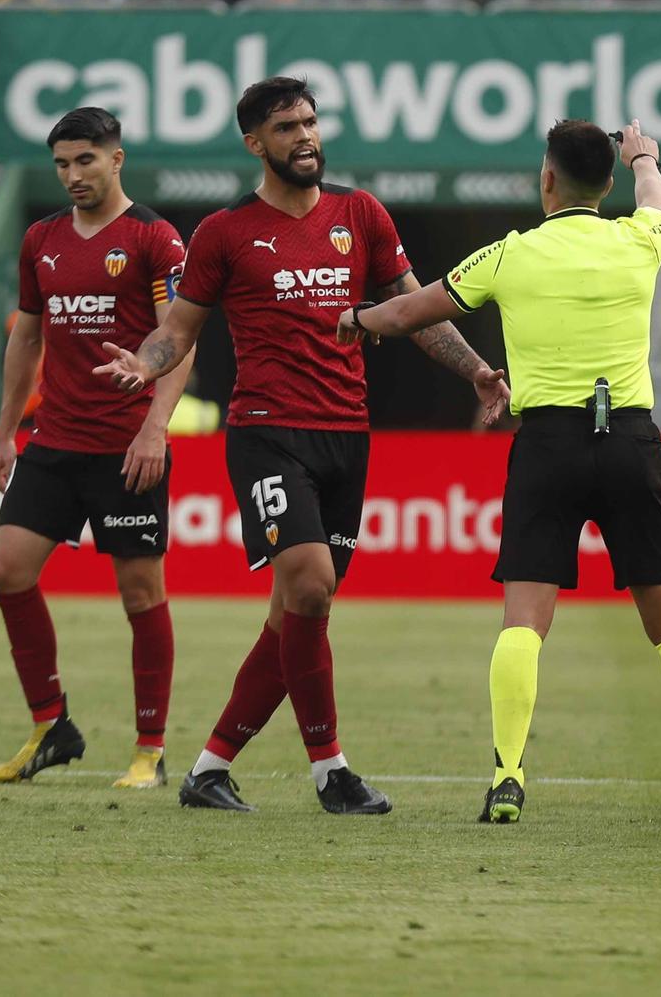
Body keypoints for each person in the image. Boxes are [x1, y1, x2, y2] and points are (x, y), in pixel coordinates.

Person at [92, 77, 507, 816]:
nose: (306, 136)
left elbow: (412, 307)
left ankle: (209, 769)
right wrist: (143, 362)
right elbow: (177, 332)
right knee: (310, 584)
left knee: (294, 614)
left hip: (348, 434)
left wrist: (476, 368)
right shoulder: (224, 232)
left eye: (311, 122)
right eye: (287, 127)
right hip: (267, 433)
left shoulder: (361, 214)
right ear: (256, 142)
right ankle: (331, 771)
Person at [342, 119, 661, 825]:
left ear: (547, 179)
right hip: (630, 437)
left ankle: (507, 777)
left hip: (547, 441)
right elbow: (657, 195)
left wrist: (358, 318)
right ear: (608, 184)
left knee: (524, 619)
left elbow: (409, 312)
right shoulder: (641, 237)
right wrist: (646, 158)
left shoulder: (509, 255)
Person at [0, 108, 189, 789]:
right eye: (63, 164)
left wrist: (154, 426)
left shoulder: (155, 238)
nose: (73, 175)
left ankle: (150, 750)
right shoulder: (40, 238)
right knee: (8, 568)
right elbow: (26, 338)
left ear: (116, 159)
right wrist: (8, 429)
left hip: (125, 447)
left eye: (85, 161)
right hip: (55, 440)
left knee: (139, 592)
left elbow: (179, 339)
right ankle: (51, 725)